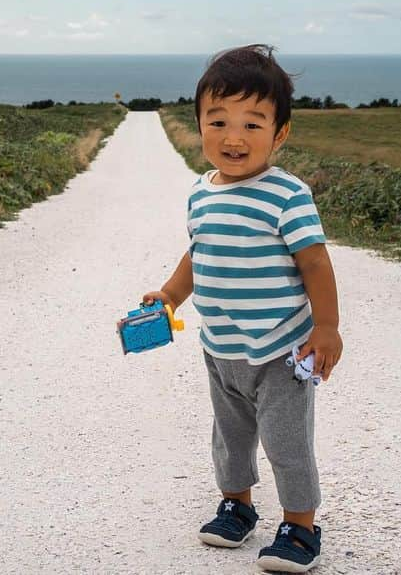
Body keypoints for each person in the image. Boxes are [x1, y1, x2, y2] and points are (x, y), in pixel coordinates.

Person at [141, 44, 342, 573]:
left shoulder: (286, 194)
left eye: (253, 125)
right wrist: (168, 295)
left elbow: (315, 264)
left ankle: (301, 527)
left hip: (281, 349)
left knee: (286, 442)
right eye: (219, 121)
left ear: (280, 134)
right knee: (229, 437)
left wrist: (326, 327)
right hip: (222, 348)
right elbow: (197, 252)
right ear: (199, 125)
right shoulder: (200, 193)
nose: (234, 138)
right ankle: (238, 506)